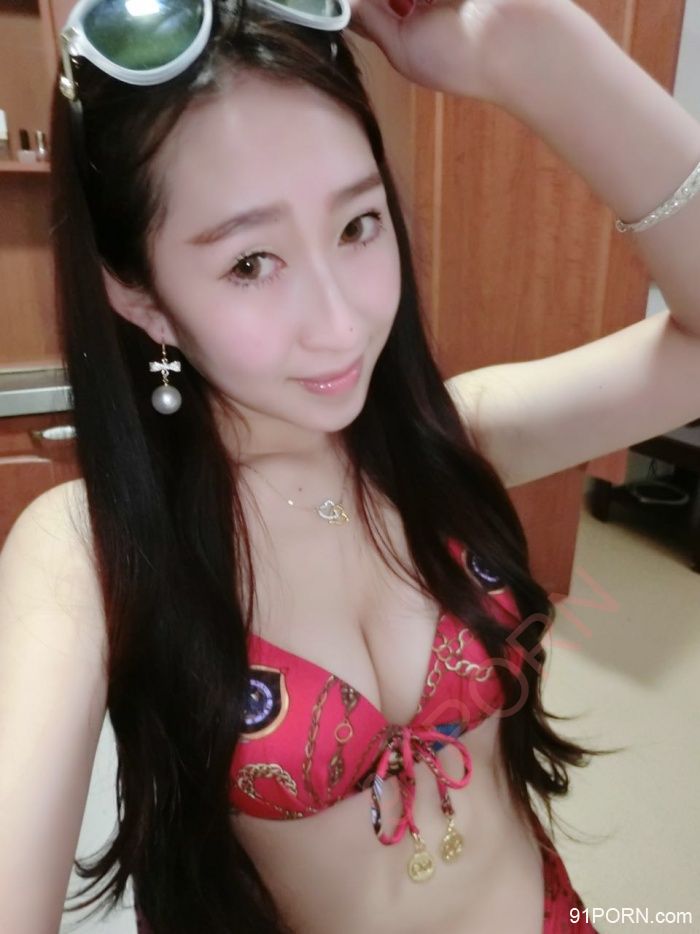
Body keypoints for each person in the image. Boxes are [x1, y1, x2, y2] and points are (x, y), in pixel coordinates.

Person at [1, 0, 699, 930]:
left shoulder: (450, 438)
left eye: (358, 225)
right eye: (251, 263)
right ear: (142, 298)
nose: (341, 323)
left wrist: (534, 51)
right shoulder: (89, 552)